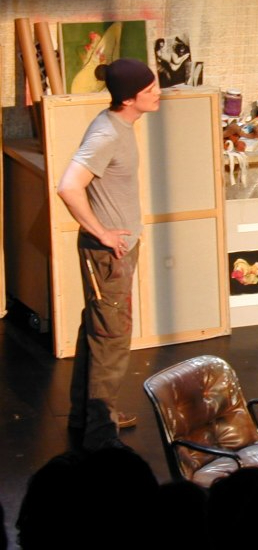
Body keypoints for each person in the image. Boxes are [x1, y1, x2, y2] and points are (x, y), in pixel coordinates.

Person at [57, 58, 161, 451]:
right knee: (110, 338)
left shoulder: (119, 124)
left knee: (98, 330)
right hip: (107, 254)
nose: (158, 93)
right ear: (129, 99)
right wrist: (101, 232)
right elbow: (68, 186)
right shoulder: (106, 133)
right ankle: (100, 435)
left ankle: (89, 417)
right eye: (150, 90)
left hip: (117, 249)